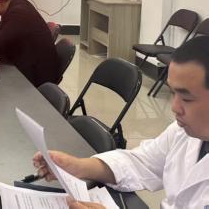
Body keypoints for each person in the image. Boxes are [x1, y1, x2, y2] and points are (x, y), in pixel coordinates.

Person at [32, 35, 209, 209]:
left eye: (186, 98)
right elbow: (140, 163)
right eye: (173, 93)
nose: (174, 107)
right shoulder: (182, 132)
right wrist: (77, 166)